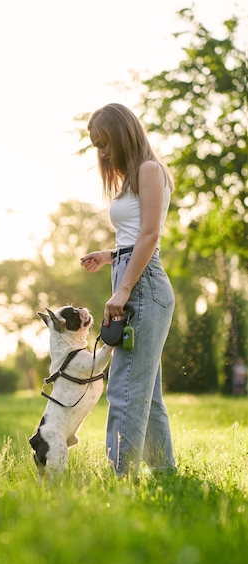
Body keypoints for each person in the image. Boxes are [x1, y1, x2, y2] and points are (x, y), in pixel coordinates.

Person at [80, 103, 176, 479]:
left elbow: (151, 235)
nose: (102, 153)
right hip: (131, 274)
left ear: (123, 135)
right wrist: (109, 256)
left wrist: (122, 290)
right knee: (146, 393)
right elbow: (135, 235)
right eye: (96, 146)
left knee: (123, 387)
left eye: (105, 143)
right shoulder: (131, 178)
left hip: (143, 285)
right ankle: (165, 473)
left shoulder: (150, 170)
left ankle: (118, 476)